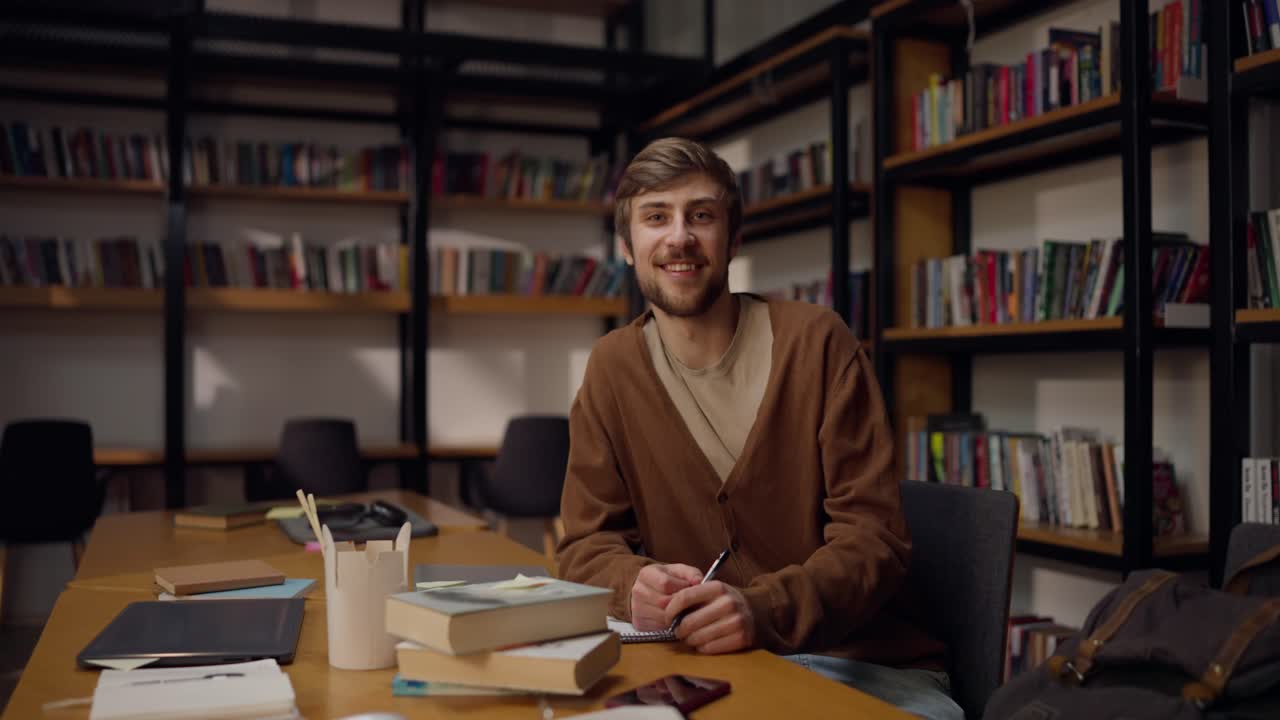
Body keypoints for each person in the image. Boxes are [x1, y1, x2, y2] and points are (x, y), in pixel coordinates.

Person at [556, 137, 962, 720]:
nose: (679, 237)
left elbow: (876, 538)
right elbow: (584, 544)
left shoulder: (818, 342)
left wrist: (763, 608)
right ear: (627, 246)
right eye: (656, 217)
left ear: (734, 237)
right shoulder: (612, 367)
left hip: (865, 666)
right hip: (707, 673)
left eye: (701, 215)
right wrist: (633, 582)